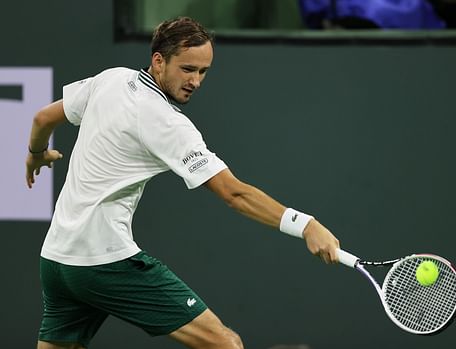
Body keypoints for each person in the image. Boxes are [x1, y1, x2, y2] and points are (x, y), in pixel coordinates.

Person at [26, 17, 340, 349]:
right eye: (188, 69)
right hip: (102, 260)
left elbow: (42, 118)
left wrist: (35, 154)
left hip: (57, 260)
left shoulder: (112, 79)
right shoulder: (166, 122)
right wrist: (305, 225)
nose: (196, 81)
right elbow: (233, 193)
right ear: (158, 61)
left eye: (203, 72)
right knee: (224, 344)